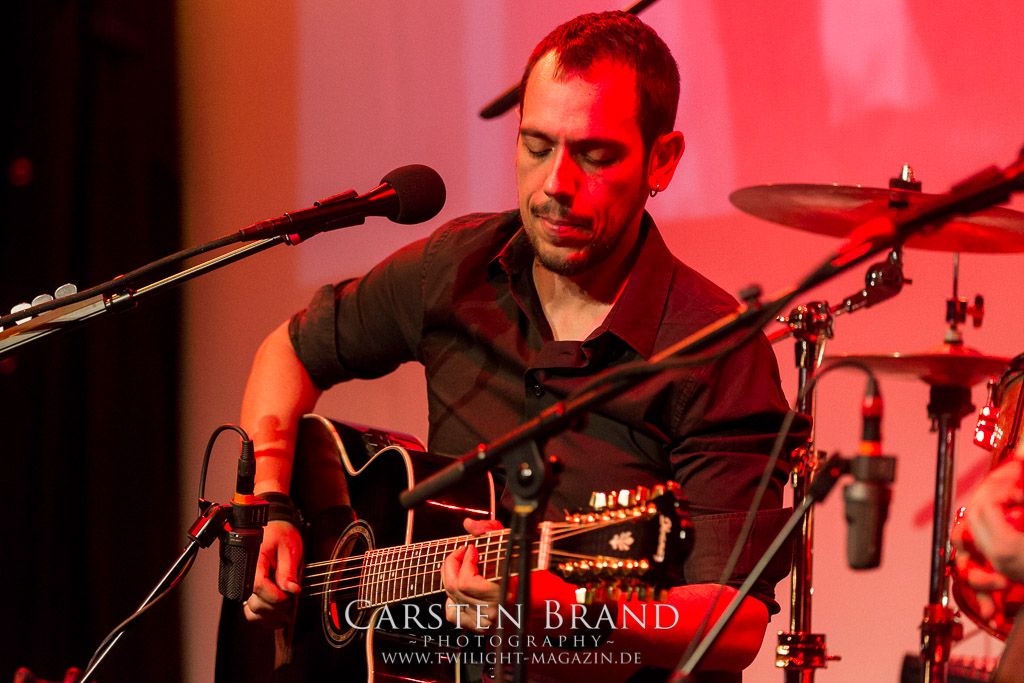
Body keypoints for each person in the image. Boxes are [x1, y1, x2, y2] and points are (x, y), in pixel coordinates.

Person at [238, 11, 802, 681]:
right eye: (536, 146)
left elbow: (736, 626)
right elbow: (288, 352)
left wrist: (571, 615)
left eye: (595, 155)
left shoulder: (715, 349)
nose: (556, 184)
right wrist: (271, 508)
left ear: (663, 159)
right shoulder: (455, 269)